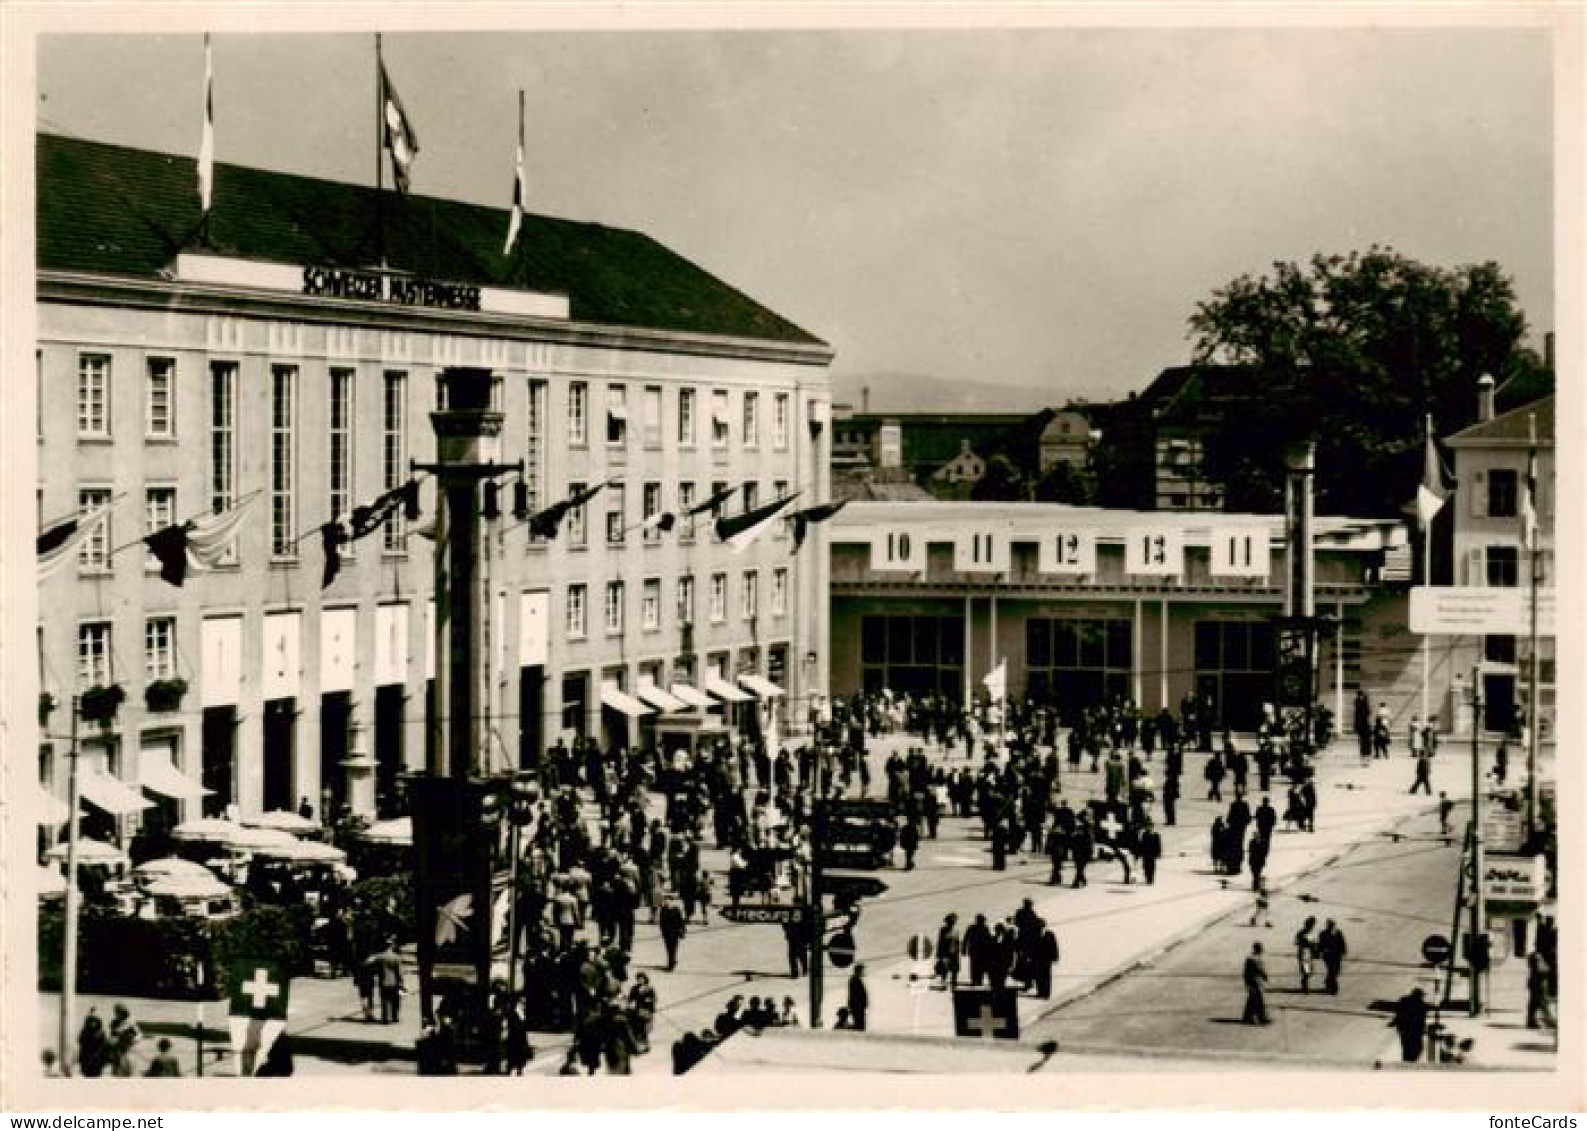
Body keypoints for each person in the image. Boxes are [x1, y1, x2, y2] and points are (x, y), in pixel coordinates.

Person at [368, 943, 405, 1024]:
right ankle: (395, 1016)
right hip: (394, 982)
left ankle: (386, 1018)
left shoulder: (379, 957)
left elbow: (369, 962)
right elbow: (399, 972)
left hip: (383, 981)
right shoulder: (396, 957)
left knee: (385, 1000)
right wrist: (401, 982)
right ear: (391, 946)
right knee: (395, 1000)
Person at [1390, 988, 1430, 1062]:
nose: (1422, 997)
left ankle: (1407, 1061)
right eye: (1421, 995)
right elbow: (1426, 1007)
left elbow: (1397, 1010)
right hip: (1415, 1030)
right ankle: (1409, 1062)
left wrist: (1394, 1022)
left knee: (1407, 1046)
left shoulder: (1404, 1000)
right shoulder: (1420, 1004)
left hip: (1404, 1029)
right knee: (1417, 1047)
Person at [1242, 943, 1270, 1025]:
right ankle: (1261, 1017)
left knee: (1253, 999)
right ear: (1257, 949)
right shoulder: (1253, 959)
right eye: (1260, 949)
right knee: (1257, 999)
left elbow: (1245, 972)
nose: (1261, 950)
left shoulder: (1253, 958)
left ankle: (1248, 1016)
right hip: (1254, 981)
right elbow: (1259, 969)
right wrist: (1265, 976)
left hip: (1255, 980)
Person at [1318, 919, 1348, 995]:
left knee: (1336, 971)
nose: (1330, 927)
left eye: (1332, 925)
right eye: (1329, 925)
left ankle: (1328, 981)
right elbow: (1320, 944)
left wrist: (1343, 951)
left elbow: (1342, 942)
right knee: (1332, 970)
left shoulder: (1338, 933)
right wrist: (1321, 951)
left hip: (1337, 955)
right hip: (1328, 955)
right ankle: (1334, 987)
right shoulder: (1323, 933)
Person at [659, 895, 687, 972]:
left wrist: (683, 931)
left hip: (675, 933)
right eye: (665, 900)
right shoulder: (663, 910)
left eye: (668, 900)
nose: (666, 902)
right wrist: (663, 932)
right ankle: (672, 962)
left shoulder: (676, 909)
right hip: (667, 933)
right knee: (668, 949)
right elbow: (661, 922)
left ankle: (670, 965)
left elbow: (681, 921)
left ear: (672, 901)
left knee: (673, 949)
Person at [935, 913, 962, 989]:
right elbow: (940, 942)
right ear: (947, 922)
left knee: (955, 969)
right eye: (951, 921)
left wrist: (958, 948)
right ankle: (944, 983)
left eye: (954, 921)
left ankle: (954, 983)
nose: (953, 922)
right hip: (945, 953)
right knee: (945, 969)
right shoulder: (943, 930)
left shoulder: (956, 930)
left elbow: (957, 941)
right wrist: (939, 954)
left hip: (954, 952)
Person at [1294, 916, 1317, 994]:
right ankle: (1305, 986)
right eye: (1312, 925)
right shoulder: (1302, 933)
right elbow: (1296, 942)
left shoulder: (1309, 933)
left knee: (1309, 971)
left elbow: (1313, 943)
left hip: (1308, 953)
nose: (1312, 927)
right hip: (1304, 953)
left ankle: (1305, 983)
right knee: (1306, 971)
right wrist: (1305, 943)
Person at [1137, 819, 1162, 886]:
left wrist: (1158, 853)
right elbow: (1140, 844)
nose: (1149, 828)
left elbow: (1158, 845)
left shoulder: (1156, 835)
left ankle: (1151, 879)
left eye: (1150, 826)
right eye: (1147, 826)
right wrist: (1139, 853)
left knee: (1152, 866)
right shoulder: (1143, 835)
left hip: (1152, 854)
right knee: (1145, 866)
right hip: (1145, 853)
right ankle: (1147, 878)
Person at [847, 964, 870, 1031]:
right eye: (862, 970)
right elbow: (855, 994)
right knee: (859, 1025)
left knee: (860, 1024)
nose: (863, 972)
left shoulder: (856, 980)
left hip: (858, 1006)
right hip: (857, 1006)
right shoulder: (854, 980)